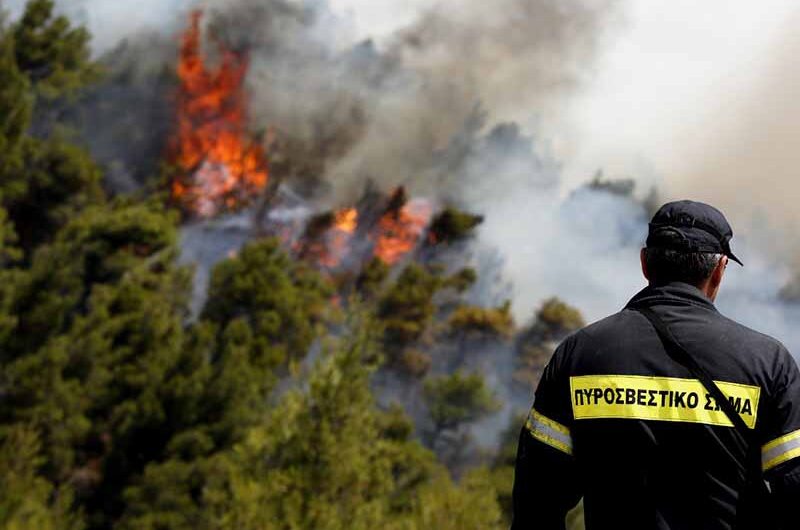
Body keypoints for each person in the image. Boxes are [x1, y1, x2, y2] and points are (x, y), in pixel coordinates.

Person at [511, 200, 800, 530]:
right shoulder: (768, 362)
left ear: (645, 263)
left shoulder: (579, 355)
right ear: (720, 269)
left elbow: (536, 503)